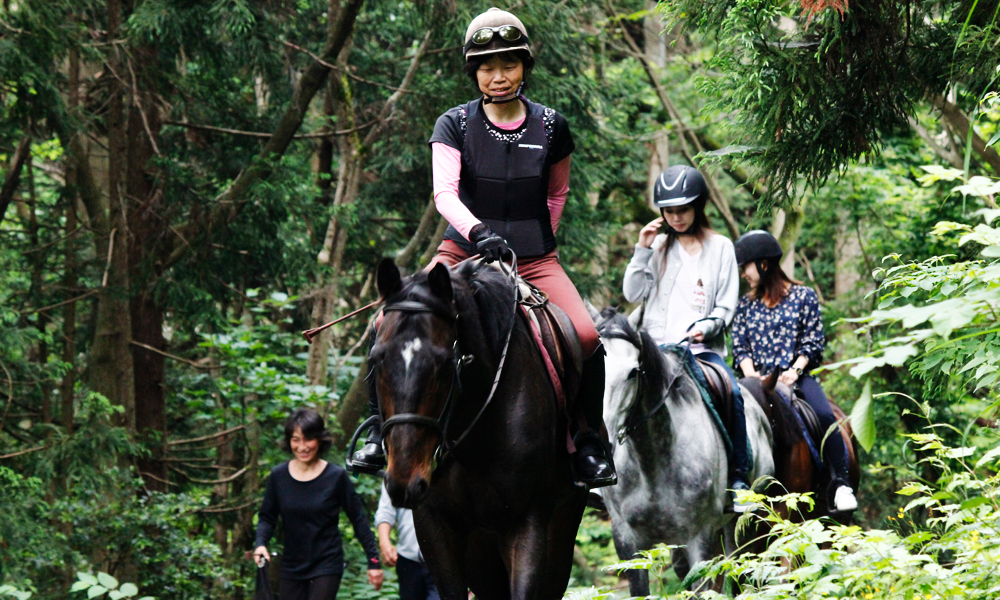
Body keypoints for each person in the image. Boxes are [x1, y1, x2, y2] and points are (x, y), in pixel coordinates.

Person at [351, 7, 616, 488]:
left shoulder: (552, 126)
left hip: (535, 260)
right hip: (461, 255)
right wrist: (479, 235)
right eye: (487, 67)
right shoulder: (453, 124)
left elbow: (556, 193)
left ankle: (588, 441)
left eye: (508, 65)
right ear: (473, 71)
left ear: (524, 67)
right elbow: (444, 194)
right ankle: (375, 431)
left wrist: (535, 239)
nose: (498, 77)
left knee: (585, 335)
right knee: (383, 323)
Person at [622, 164, 753, 510]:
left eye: (683, 209)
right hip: (653, 348)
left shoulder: (721, 247)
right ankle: (606, 470)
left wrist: (705, 328)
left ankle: (739, 476)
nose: (676, 217)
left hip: (698, 350)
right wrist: (642, 249)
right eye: (669, 211)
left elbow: (726, 306)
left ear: (698, 207)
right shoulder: (659, 246)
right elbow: (633, 292)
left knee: (732, 391)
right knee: (613, 387)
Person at [731, 230, 858, 513]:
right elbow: (740, 347)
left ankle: (841, 484)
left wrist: (795, 371)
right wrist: (751, 376)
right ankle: (735, 483)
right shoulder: (745, 305)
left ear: (763, 264)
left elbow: (813, 341)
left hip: (796, 379)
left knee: (825, 415)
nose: (743, 274)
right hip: (756, 383)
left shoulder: (803, 297)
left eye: (746, 267)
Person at [253, 409, 384, 600]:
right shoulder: (278, 476)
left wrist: (373, 562)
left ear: (320, 439)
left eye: (308, 439)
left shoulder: (336, 476)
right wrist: (260, 544)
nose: (302, 446)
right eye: (296, 439)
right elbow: (266, 517)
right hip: (292, 565)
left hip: (326, 564)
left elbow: (358, 520)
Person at [374, 483, 440, 600]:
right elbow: (385, 512)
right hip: (408, 561)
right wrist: (384, 543)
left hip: (441, 561)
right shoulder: (398, 469)